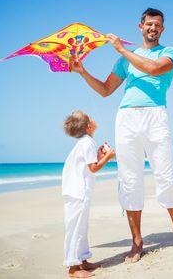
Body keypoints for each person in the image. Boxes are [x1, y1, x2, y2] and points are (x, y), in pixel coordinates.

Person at [69, 8, 173, 262]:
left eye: (157, 25)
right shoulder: (125, 60)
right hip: (126, 118)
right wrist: (82, 71)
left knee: (166, 174)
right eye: (149, 24)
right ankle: (137, 241)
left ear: (162, 29)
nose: (153, 28)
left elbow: (153, 69)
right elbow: (106, 90)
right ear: (140, 27)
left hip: (155, 116)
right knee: (129, 179)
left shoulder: (171, 52)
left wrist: (121, 49)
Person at [62, 110, 115, 278]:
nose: (94, 118)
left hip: (77, 191)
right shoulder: (87, 143)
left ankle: (82, 260)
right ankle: (73, 268)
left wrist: (99, 156)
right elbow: (93, 168)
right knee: (76, 228)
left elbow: (89, 164)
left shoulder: (85, 143)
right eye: (90, 118)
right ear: (89, 126)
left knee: (81, 227)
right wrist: (108, 157)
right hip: (78, 192)